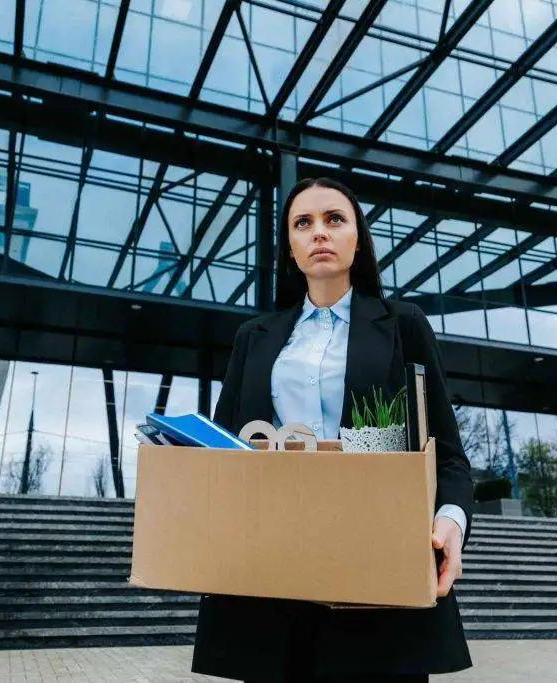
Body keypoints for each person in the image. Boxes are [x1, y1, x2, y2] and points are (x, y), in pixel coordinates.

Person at [191, 177, 475, 683]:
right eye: (303, 223)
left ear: (358, 239)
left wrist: (451, 521)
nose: (319, 232)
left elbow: (448, 455)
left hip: (376, 571)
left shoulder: (403, 325)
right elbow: (224, 454)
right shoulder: (253, 338)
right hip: (270, 576)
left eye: (334, 219)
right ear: (291, 249)